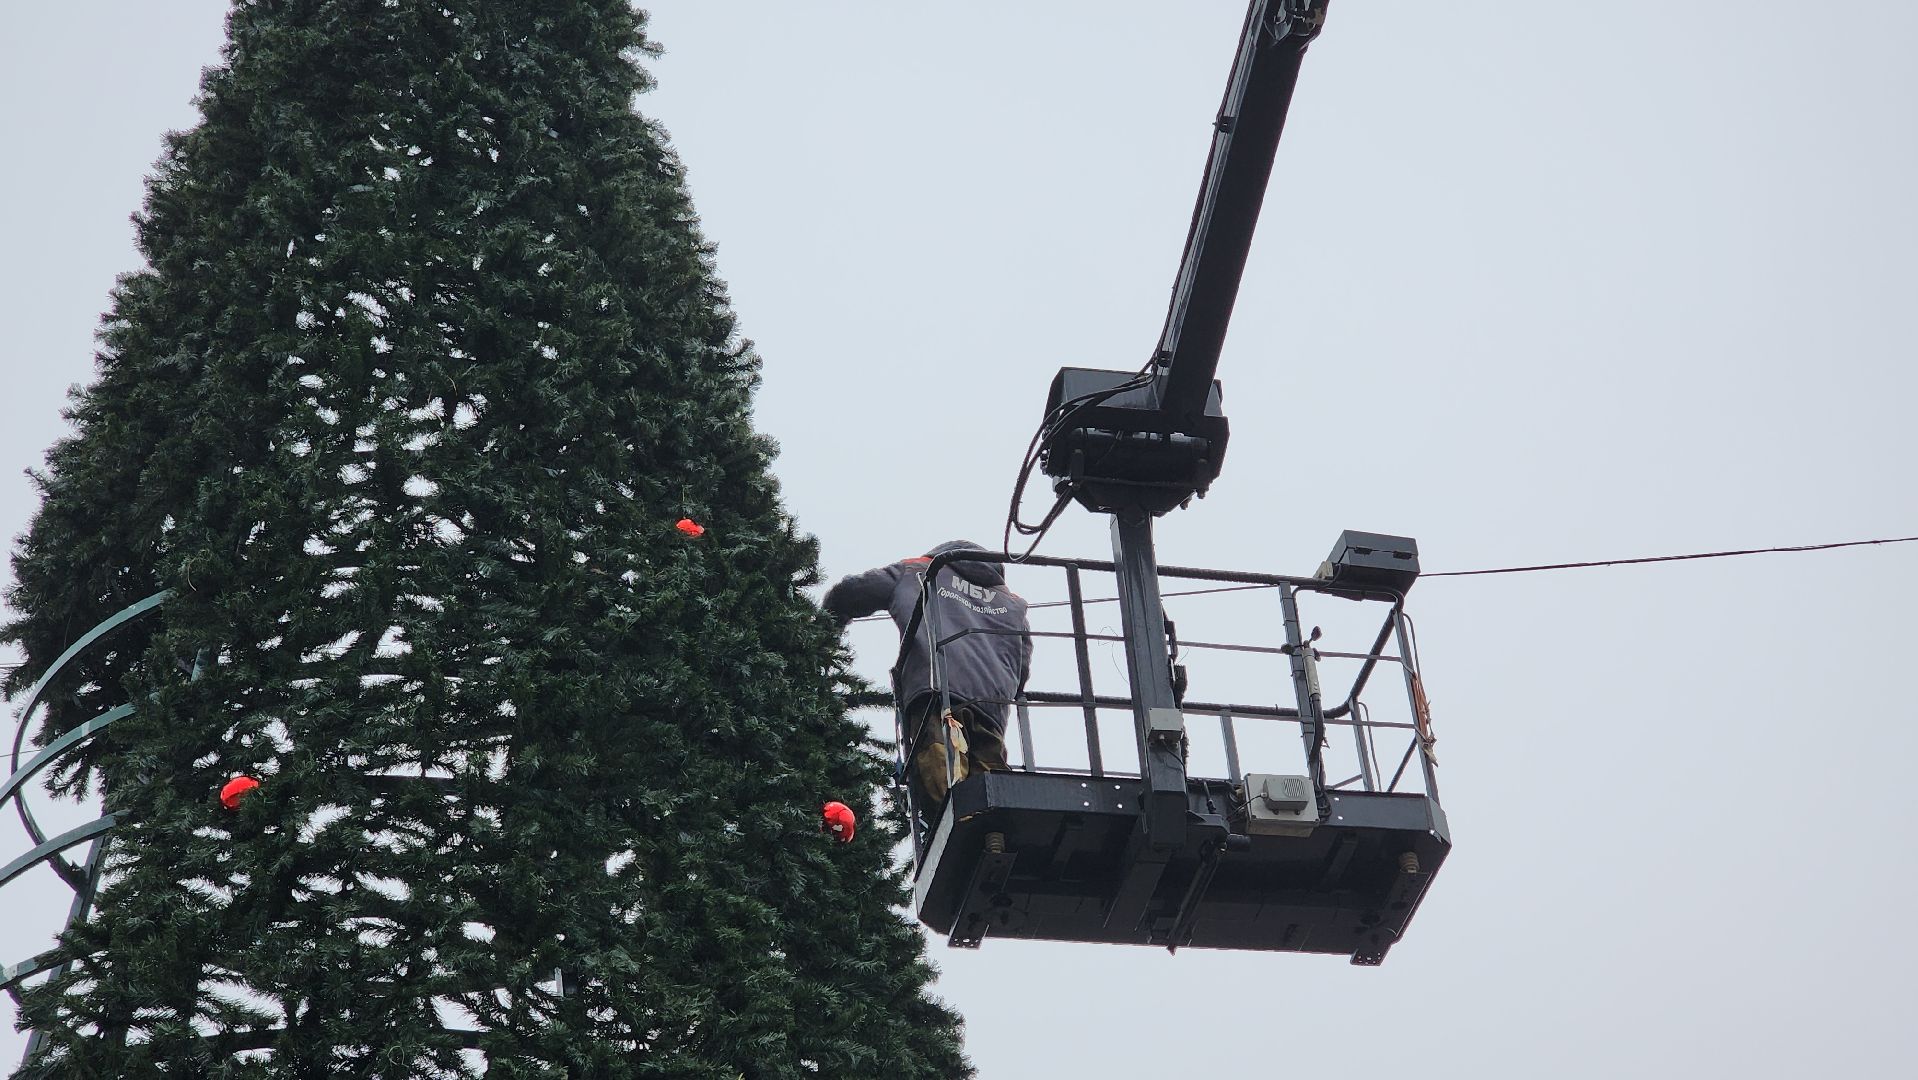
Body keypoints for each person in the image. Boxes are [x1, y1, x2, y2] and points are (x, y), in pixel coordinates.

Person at [823, 541, 1032, 818]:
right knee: (991, 786)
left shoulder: (918, 570)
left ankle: (958, 825)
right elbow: (1022, 666)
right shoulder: (1012, 603)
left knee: (941, 782)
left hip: (936, 696)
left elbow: (852, 591)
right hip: (990, 708)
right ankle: (995, 833)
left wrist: (824, 631)